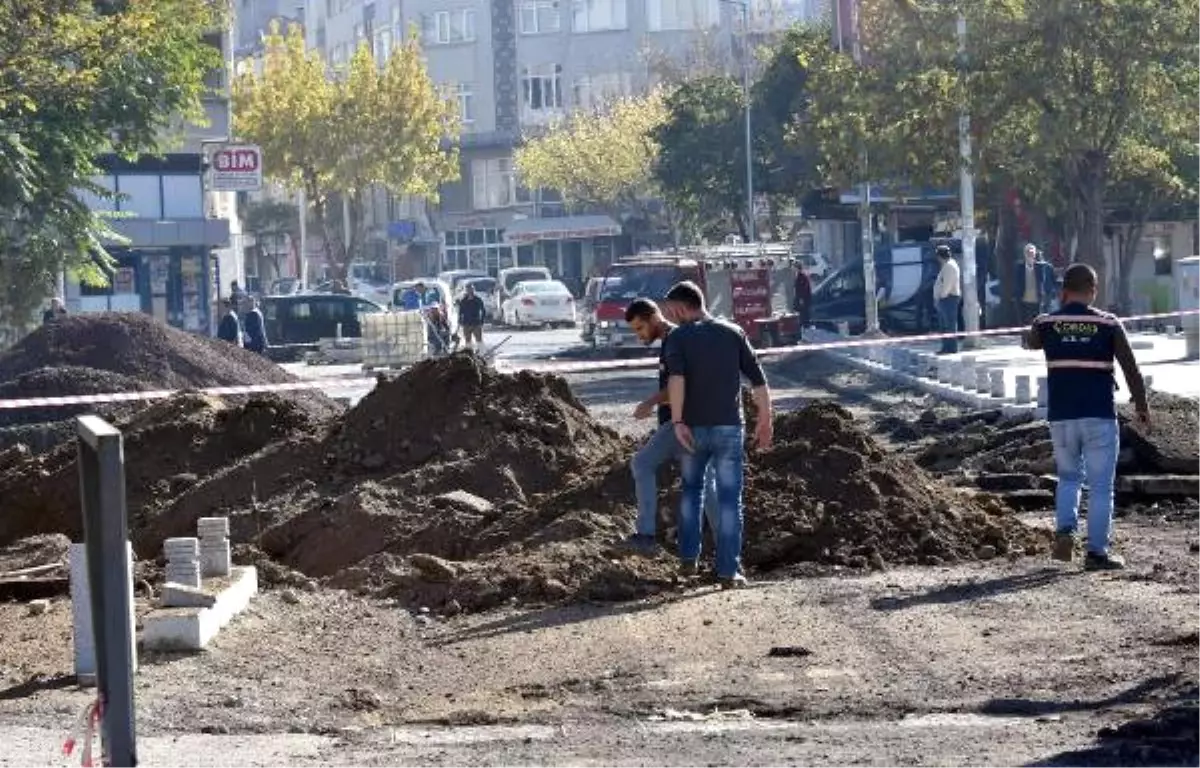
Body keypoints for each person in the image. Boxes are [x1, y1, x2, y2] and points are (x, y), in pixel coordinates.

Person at [1025, 263, 1150, 571]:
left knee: (1068, 477)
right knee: (1101, 487)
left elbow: (1030, 340)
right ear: (1093, 290)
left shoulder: (1046, 322)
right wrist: (1142, 406)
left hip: (1063, 417)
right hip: (1099, 416)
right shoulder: (1109, 323)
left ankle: (1065, 531)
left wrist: (1041, 326)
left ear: (1063, 291)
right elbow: (1130, 367)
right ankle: (1096, 553)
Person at [662, 281, 773, 589]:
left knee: (691, 492)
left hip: (693, 430)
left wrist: (678, 421)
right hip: (729, 428)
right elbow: (759, 382)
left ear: (683, 307)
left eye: (671, 311)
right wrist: (765, 420)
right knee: (728, 501)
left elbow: (677, 380)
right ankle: (728, 572)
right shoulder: (733, 332)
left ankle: (689, 560)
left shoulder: (678, 338)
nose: (670, 317)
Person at [620, 298, 719, 556]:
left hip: (684, 422)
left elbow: (679, 383)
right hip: (693, 421)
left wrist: (650, 402)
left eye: (640, 328)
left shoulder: (676, 340)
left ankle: (646, 535)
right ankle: (728, 549)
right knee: (704, 484)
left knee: (642, 463)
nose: (639, 335)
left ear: (654, 317)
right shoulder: (675, 339)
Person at [1014, 243, 1058, 322]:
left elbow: (1051, 280)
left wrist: (1049, 294)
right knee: (1025, 324)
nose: (1030, 254)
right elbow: (1016, 283)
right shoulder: (1019, 267)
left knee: (1038, 324)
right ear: (1024, 254)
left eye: (1032, 253)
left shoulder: (1041, 267)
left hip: (1038, 301)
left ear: (1035, 254)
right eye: (1028, 252)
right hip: (1024, 301)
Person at [932, 244, 961, 354]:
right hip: (946, 299)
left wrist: (941, 297)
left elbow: (947, 284)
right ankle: (946, 347)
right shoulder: (947, 265)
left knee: (949, 325)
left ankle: (951, 348)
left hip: (948, 299)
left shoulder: (949, 266)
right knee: (945, 325)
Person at [457, 284, 486, 349]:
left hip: (476, 323)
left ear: (473, 290)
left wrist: (482, 321)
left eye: (471, 289)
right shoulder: (463, 301)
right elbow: (460, 312)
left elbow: (483, 310)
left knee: (479, 340)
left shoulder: (478, 299)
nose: (469, 291)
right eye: (467, 289)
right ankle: (469, 354)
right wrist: (459, 321)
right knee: (468, 341)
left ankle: (482, 353)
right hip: (466, 323)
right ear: (466, 290)